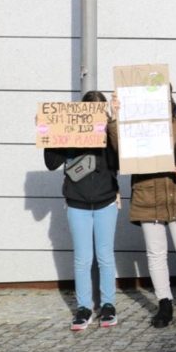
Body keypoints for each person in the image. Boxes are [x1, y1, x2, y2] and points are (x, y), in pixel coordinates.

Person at [114, 91, 176, 329]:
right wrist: (116, 117)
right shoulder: (132, 120)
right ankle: (165, 303)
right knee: (156, 253)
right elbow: (121, 150)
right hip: (147, 192)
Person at [44, 91, 121, 330]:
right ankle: (84, 308)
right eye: (93, 110)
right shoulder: (71, 133)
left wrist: (114, 122)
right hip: (77, 202)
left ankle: (108, 306)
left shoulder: (110, 134)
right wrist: (49, 133)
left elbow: (120, 160)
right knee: (82, 258)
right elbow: (51, 163)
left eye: (101, 110)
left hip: (106, 201)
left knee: (105, 257)